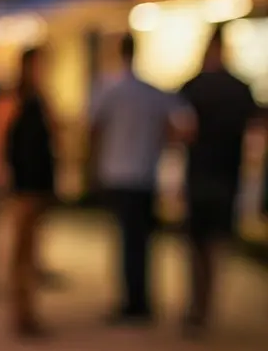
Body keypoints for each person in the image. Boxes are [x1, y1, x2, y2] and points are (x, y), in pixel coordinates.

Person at [90, 34, 193, 325]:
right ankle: (140, 299)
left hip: (118, 173)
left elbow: (94, 127)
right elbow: (180, 125)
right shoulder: (151, 91)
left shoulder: (109, 88)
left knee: (126, 240)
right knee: (142, 240)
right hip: (145, 174)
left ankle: (132, 301)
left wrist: (94, 165)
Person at [177, 30, 262, 337]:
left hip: (198, 175)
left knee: (196, 245)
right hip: (227, 175)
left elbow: (180, 129)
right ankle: (207, 305)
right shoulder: (241, 88)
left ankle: (196, 306)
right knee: (215, 244)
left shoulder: (193, 86)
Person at [0, 47, 56, 339]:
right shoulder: (12, 100)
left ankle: (29, 310)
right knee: (20, 252)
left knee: (32, 251)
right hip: (21, 184)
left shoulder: (40, 100)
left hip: (39, 182)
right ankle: (21, 312)